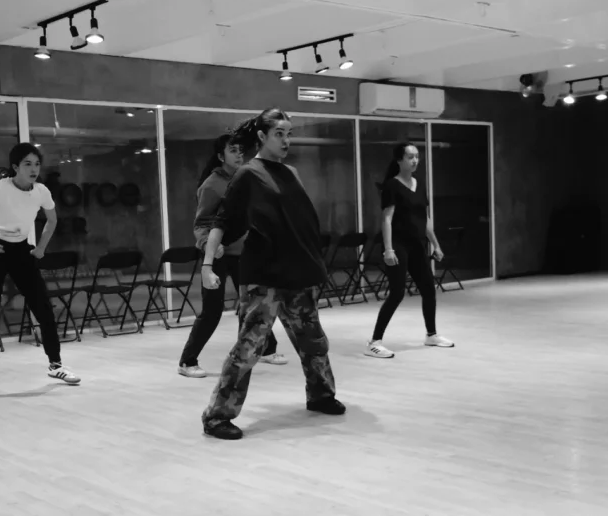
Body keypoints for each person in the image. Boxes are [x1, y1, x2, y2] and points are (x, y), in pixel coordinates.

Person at [200, 108, 345, 440]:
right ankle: (217, 417)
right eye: (279, 134)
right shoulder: (248, 174)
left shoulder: (291, 172)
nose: (286, 140)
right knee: (248, 348)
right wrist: (207, 265)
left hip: (300, 272)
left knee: (314, 342)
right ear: (262, 137)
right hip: (265, 276)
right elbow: (222, 221)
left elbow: (299, 222)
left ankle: (321, 395)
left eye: (289, 133)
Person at [0, 142, 80, 398]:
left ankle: (55, 365)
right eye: (27, 164)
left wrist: (41, 248)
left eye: (37, 164)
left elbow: (52, 220)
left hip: (22, 251)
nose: (34, 169)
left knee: (44, 308)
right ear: (15, 167)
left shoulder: (41, 191)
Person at [178, 132, 285, 377]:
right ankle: (187, 361)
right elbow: (201, 223)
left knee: (253, 305)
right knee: (212, 311)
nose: (239, 155)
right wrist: (208, 245)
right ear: (220, 156)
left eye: (241, 151)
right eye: (233, 150)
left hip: (243, 254)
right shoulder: (211, 185)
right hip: (217, 256)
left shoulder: (245, 179)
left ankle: (265, 349)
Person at [366, 142, 454, 358]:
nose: (415, 160)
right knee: (397, 293)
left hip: (417, 245)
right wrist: (388, 249)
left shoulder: (419, 184)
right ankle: (374, 342)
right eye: (410, 157)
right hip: (398, 245)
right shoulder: (392, 186)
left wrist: (436, 244)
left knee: (428, 289)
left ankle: (431, 335)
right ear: (399, 160)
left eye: (417, 156)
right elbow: (386, 219)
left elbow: (425, 219)